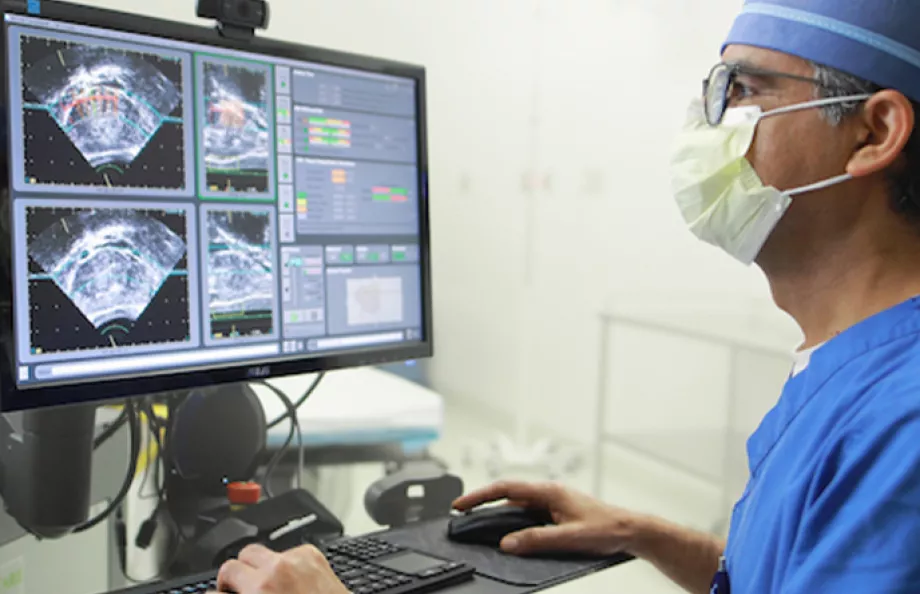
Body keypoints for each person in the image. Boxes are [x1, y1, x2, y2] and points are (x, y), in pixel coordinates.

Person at [210, 1, 920, 592]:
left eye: (742, 90)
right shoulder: (853, 371)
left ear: (874, 132)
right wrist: (641, 532)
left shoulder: (901, 429)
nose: (706, 124)